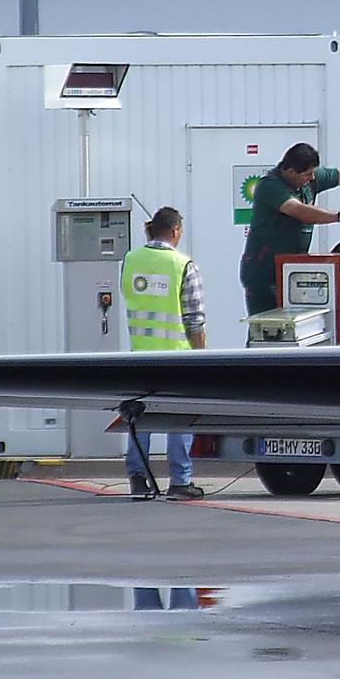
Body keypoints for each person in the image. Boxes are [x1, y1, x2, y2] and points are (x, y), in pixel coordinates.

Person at [239, 143, 340, 316]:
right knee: (268, 328)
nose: (312, 178)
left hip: (292, 271)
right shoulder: (270, 186)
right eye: (307, 174)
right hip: (264, 274)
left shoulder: (310, 178)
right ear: (291, 172)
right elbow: (299, 211)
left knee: (299, 328)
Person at [122, 207, 207, 500]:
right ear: (175, 231)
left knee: (139, 420)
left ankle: (137, 478)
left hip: (139, 355)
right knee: (179, 421)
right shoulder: (184, 265)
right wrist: (202, 359)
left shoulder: (130, 260)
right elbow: (195, 320)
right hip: (177, 356)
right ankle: (180, 482)